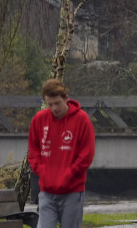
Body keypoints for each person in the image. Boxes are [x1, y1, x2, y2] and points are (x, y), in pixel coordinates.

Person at [28, 79, 95, 228]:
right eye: (49, 104)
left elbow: (87, 154)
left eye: (57, 103)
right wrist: (42, 171)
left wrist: (69, 173)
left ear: (66, 98)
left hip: (72, 191)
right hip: (47, 191)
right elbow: (33, 151)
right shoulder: (39, 120)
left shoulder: (82, 120)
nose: (54, 108)